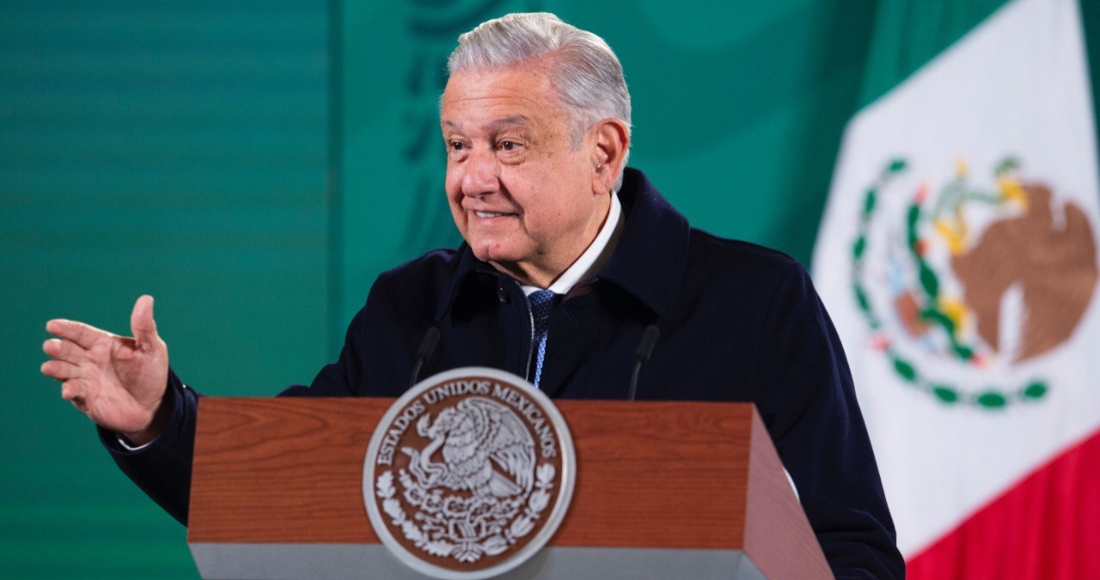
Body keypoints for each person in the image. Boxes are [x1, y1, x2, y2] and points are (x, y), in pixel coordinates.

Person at [41, 12, 905, 578]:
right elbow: (282, 500)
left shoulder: (754, 302)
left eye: (508, 145)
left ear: (604, 153)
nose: (473, 178)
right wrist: (159, 420)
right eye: (457, 145)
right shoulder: (411, 310)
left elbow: (854, 551)